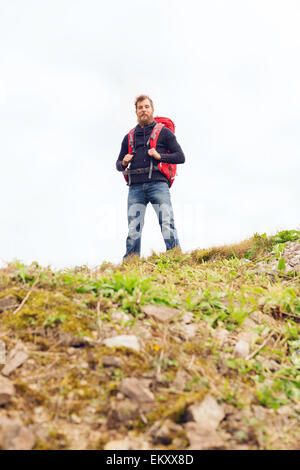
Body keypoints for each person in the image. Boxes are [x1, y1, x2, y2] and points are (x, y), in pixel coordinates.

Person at [116, 95, 185, 259]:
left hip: (158, 185)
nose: (143, 110)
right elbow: (118, 164)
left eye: (146, 107)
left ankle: (175, 257)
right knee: (134, 227)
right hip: (135, 187)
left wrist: (160, 156)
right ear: (136, 111)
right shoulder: (129, 137)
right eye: (140, 107)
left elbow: (180, 157)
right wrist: (124, 163)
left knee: (167, 222)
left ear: (152, 109)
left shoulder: (164, 133)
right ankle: (131, 262)